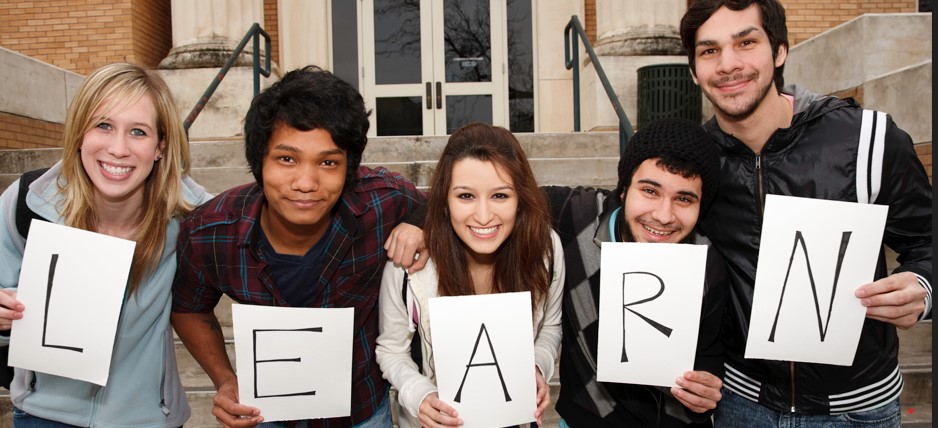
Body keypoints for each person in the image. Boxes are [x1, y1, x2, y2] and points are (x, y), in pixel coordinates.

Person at [679, 1, 933, 426]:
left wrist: (924, 288)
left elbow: (926, 239)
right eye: (709, 51)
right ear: (693, 69)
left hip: (857, 408)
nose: (728, 64)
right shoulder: (694, 165)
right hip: (739, 404)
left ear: (779, 51)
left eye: (746, 42)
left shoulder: (867, 139)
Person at [171, 65, 426, 428]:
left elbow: (449, 207)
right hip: (266, 414)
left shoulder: (383, 201)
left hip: (361, 412)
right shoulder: (211, 232)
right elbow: (188, 309)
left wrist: (422, 226)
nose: (306, 182)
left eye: (328, 162)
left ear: (349, 169)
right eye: (286, 159)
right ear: (259, 161)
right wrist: (226, 379)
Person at [0, 62, 209, 427]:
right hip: (41, 416)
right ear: (80, 131)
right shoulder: (28, 202)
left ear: (161, 146)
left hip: (148, 418)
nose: (118, 148)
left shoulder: (194, 219)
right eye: (104, 125)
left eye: (138, 132)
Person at [375, 123, 564, 428]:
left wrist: (537, 368)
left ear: (521, 199)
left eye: (500, 196)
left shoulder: (545, 250)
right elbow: (391, 349)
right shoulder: (409, 267)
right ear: (445, 201)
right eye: (465, 196)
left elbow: (550, 327)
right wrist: (420, 395)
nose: (484, 215)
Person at [544, 118, 727, 427]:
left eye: (684, 198)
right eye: (650, 191)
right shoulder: (578, 216)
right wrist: (428, 222)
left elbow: (709, 357)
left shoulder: (709, 266)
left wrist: (705, 395)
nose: (663, 215)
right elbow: (498, 195)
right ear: (625, 188)